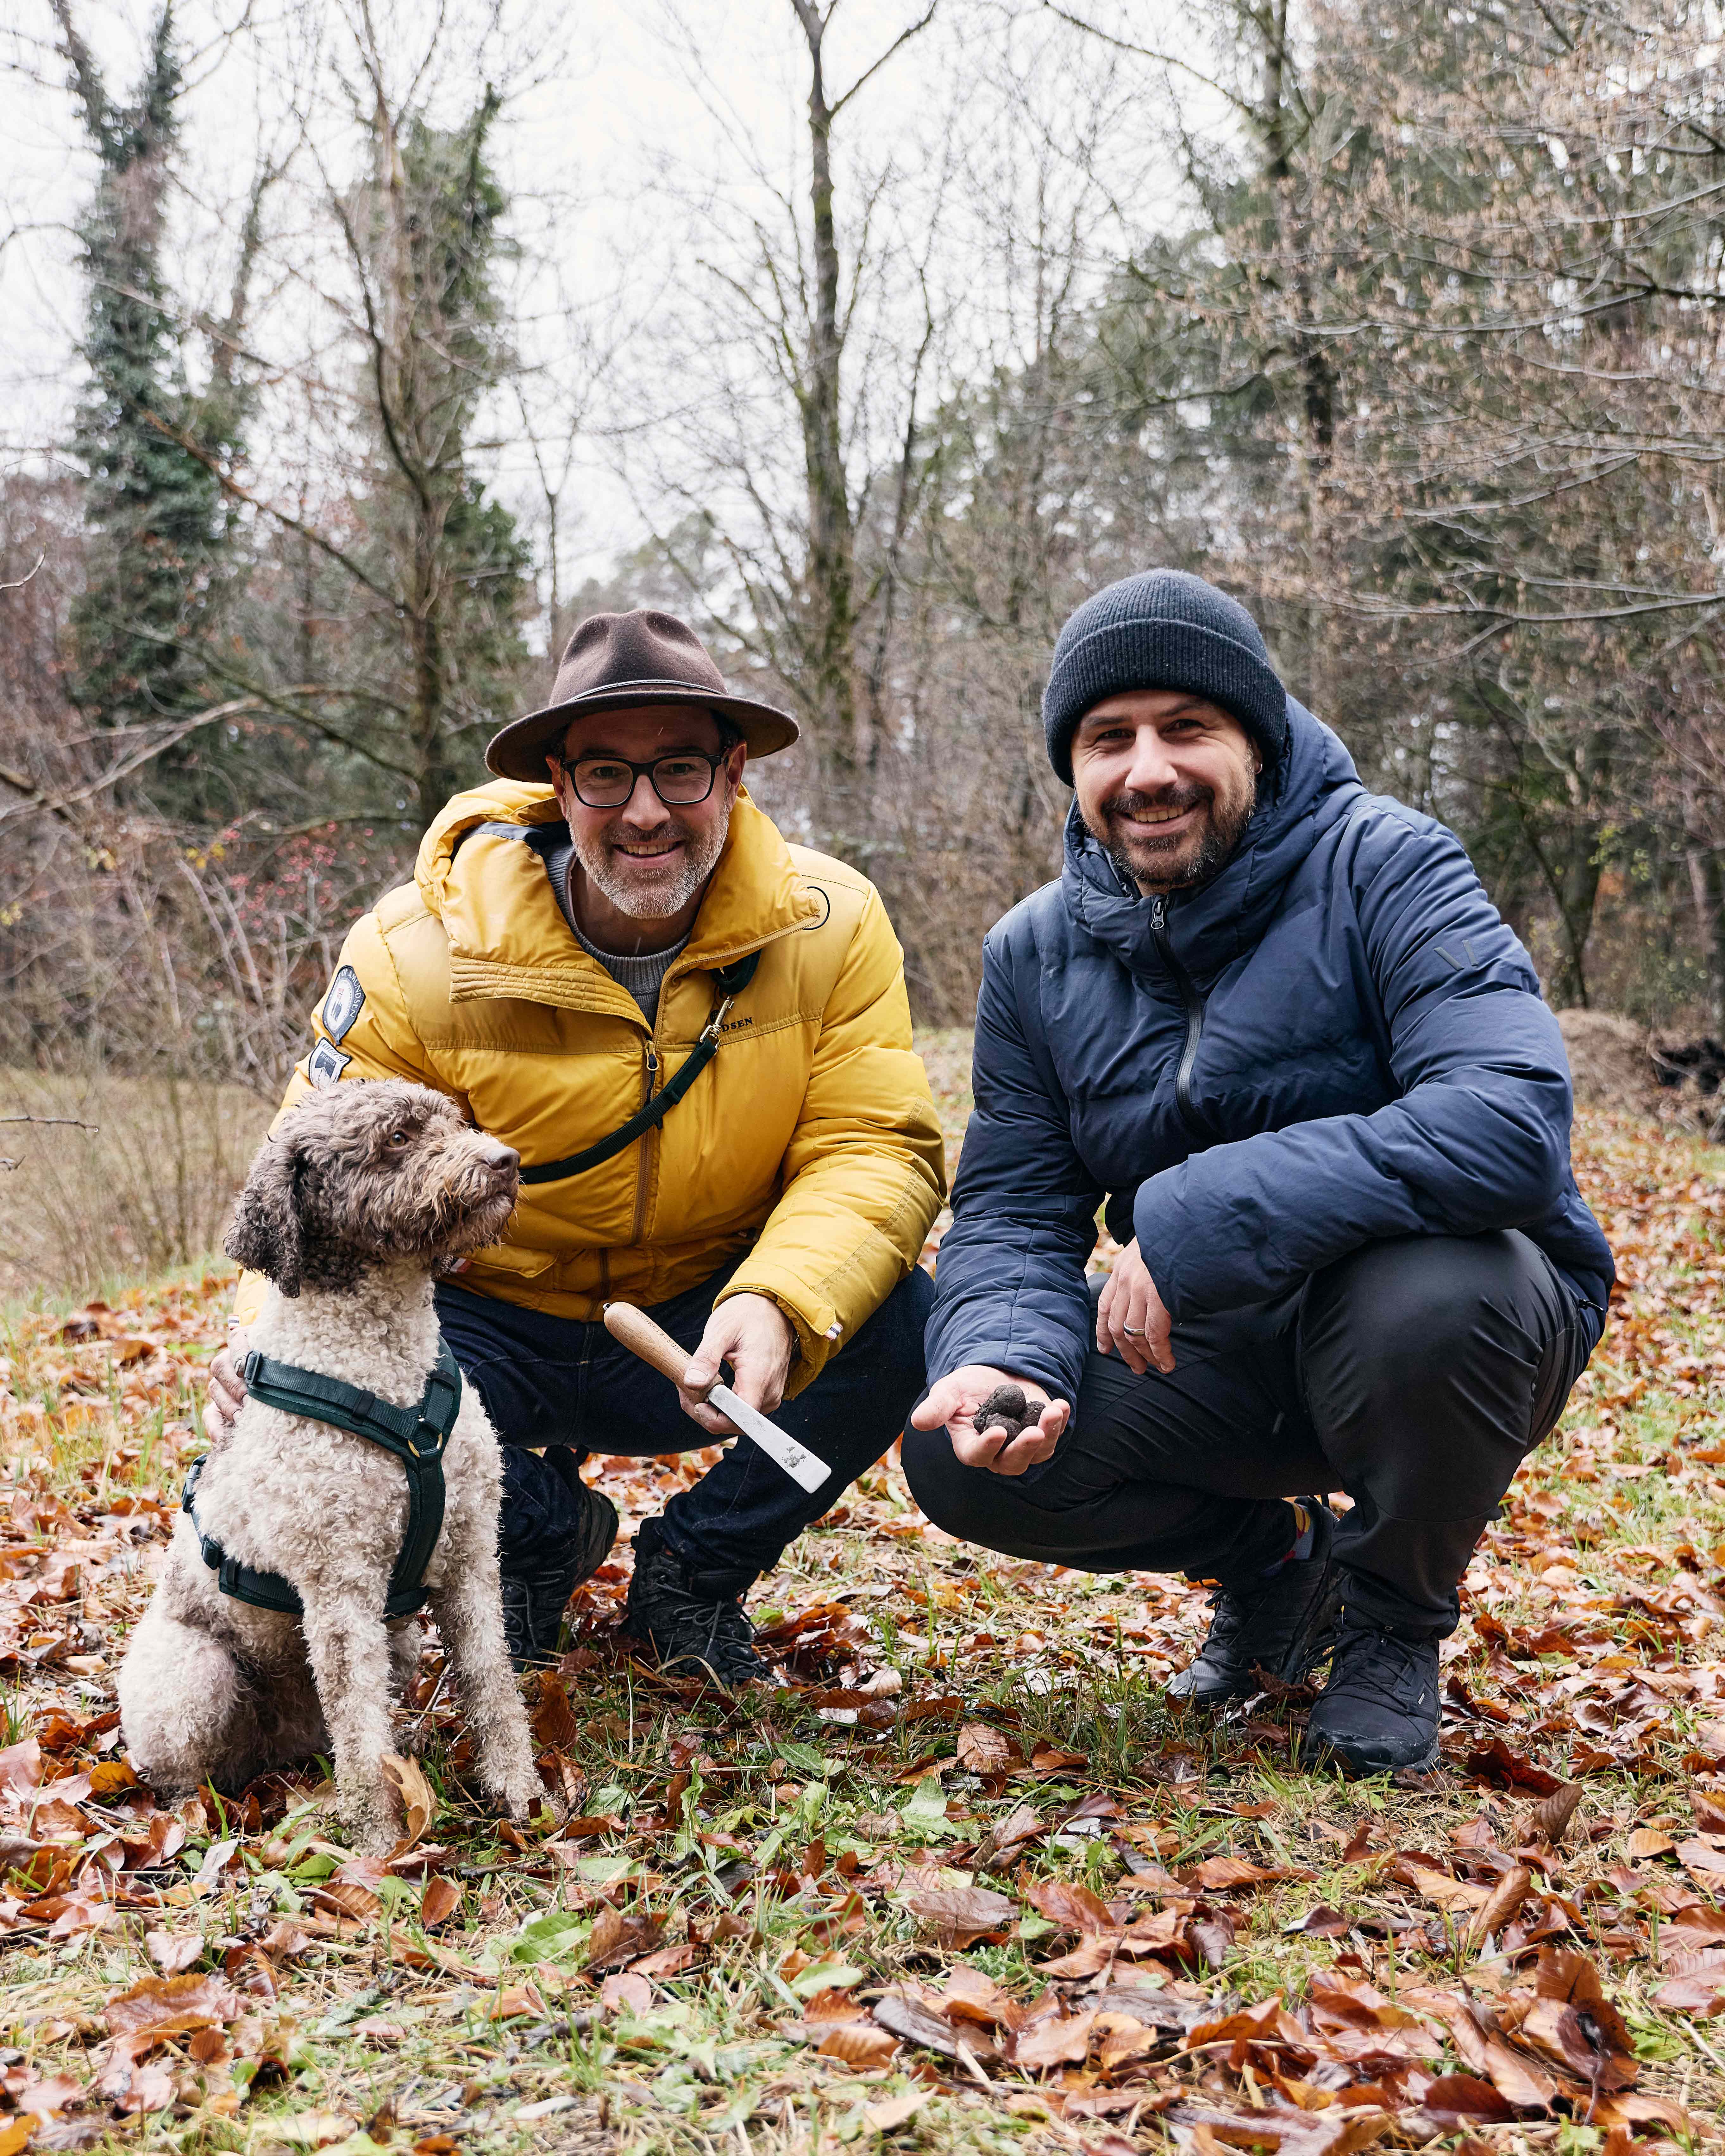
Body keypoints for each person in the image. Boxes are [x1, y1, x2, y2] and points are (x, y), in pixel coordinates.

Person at [905, 569, 1612, 1774]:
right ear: (1070, 768)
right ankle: (1281, 1566)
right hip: (1208, 1354)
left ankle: (1393, 1626)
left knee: (1433, 1295)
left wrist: (1190, 1216)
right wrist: (1001, 1352)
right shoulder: (1031, 952)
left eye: (1188, 729)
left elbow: (1505, 1125)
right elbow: (1016, 1203)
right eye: (1106, 739)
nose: (1147, 770)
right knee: (957, 1449)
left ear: (1259, 741)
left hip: (1452, 1332)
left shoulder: (1388, 864)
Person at [207, 609, 945, 1681]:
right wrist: (259, 1340)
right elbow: (311, 1165)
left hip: (705, 1313)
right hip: (482, 1324)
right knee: (338, 1393)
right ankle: (541, 1533)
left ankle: (691, 1577)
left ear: (734, 774)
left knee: (906, 1316)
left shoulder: (831, 924)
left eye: (680, 770)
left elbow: (874, 1143)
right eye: (606, 774)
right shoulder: (415, 950)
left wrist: (778, 1296)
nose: (645, 813)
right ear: (559, 783)